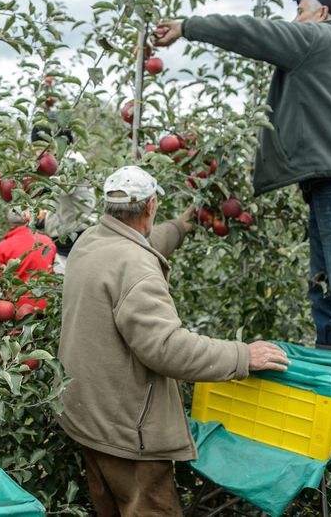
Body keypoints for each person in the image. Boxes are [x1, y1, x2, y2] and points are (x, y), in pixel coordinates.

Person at [155, 0, 331, 355]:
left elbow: (253, 32)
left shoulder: (317, 38)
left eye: (299, 10)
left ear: (321, 14)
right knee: (325, 290)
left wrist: (188, 27)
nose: (293, 19)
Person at [58, 166, 290, 516]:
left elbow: (140, 247)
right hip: (127, 435)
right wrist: (242, 356)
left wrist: (180, 228)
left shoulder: (90, 242)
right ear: (151, 205)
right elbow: (165, 348)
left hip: (88, 417)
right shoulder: (135, 267)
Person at [31, 123, 98, 275]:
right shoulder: (55, 164)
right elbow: (57, 198)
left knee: (73, 286)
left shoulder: (71, 159)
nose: (36, 153)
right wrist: (44, 218)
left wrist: (33, 180)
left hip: (78, 237)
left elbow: (64, 187)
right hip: (66, 240)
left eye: (39, 147)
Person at [0, 208, 57, 310]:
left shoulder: (4, 246)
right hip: (46, 307)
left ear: (10, 225)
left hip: (17, 309)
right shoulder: (47, 242)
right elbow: (53, 273)